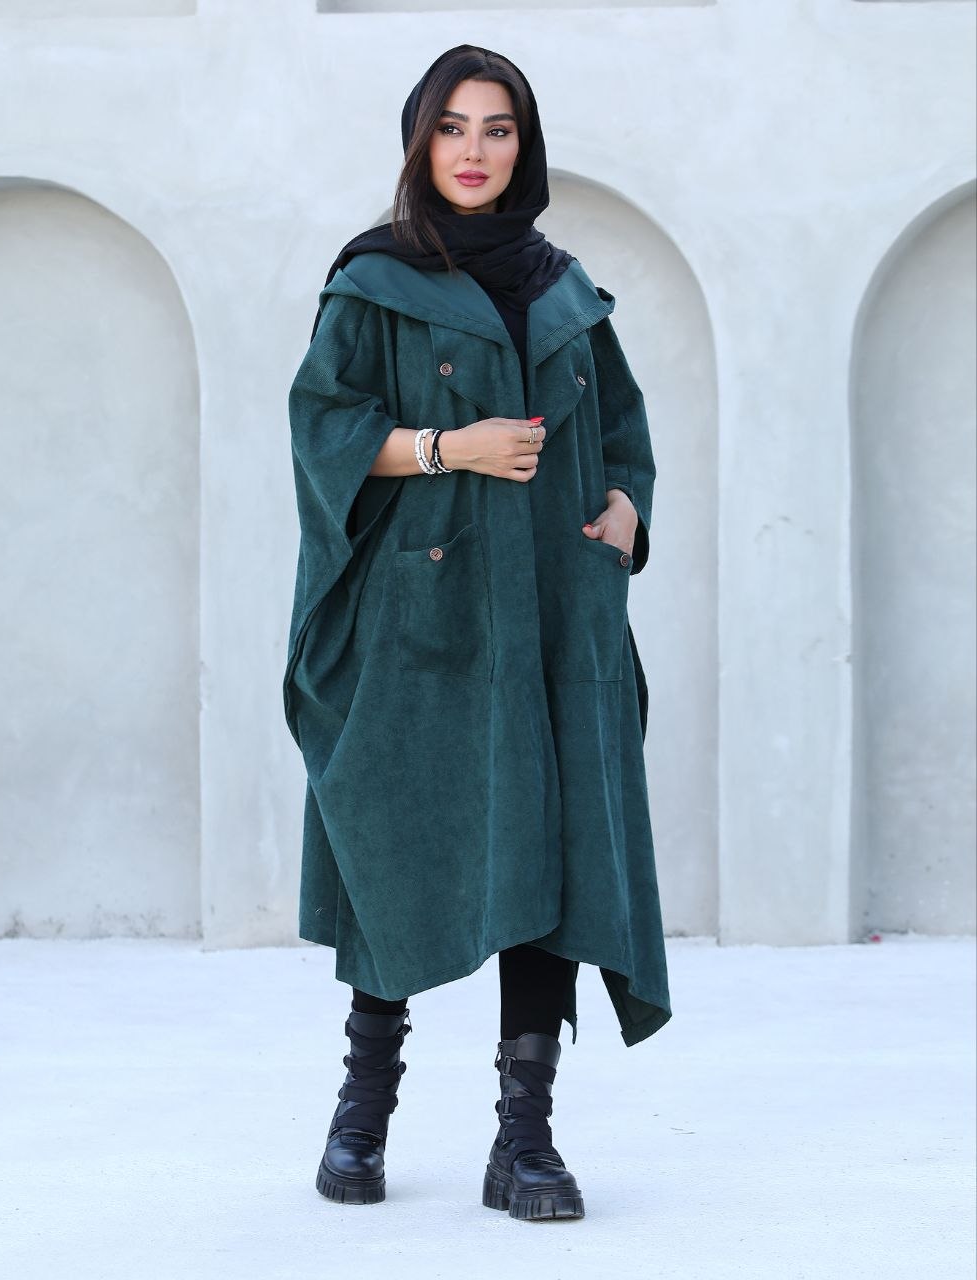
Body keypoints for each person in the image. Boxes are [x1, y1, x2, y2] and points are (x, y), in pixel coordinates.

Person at [284, 44, 671, 1222]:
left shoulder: (562, 286)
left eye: (496, 129)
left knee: (546, 851)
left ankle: (526, 1137)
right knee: (397, 840)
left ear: (523, 146)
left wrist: (626, 508)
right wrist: (450, 447)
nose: (473, 150)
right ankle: (362, 1108)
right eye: (451, 127)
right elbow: (322, 428)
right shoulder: (373, 280)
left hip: (553, 611)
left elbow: (621, 427)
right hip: (423, 615)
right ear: (420, 141)